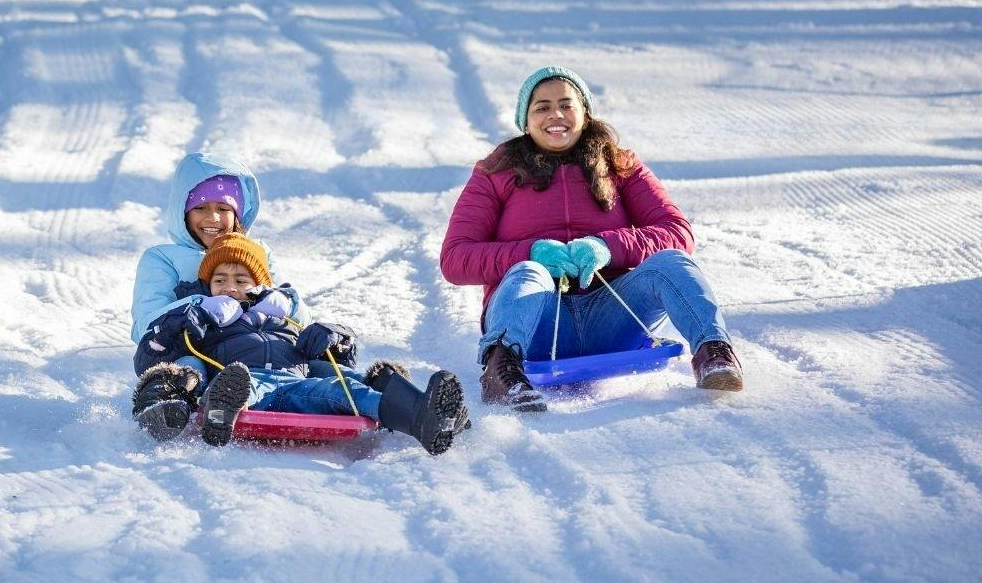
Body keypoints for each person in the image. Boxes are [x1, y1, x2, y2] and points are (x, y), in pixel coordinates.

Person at [440, 65, 743, 412]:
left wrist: (607, 247)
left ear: (584, 112)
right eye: (541, 107)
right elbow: (455, 259)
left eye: (566, 104)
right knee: (528, 272)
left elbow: (677, 232)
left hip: (611, 315)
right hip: (538, 322)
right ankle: (501, 368)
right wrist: (532, 253)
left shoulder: (621, 166)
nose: (556, 115)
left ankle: (714, 353)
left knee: (672, 263)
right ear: (525, 121)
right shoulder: (495, 173)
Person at [137, 234, 470, 452]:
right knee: (241, 382)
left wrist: (330, 334)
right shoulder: (204, 319)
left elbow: (339, 358)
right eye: (219, 281)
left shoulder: (283, 320)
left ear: (260, 285)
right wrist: (193, 320)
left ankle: (426, 416)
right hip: (246, 378)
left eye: (241, 280)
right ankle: (220, 411)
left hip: (298, 382)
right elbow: (159, 353)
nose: (229, 287)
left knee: (347, 390)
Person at [128, 151, 310, 439]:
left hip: (256, 358)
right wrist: (204, 305)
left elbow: (294, 320)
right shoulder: (162, 258)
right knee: (189, 368)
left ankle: (370, 397)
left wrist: (289, 303)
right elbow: (146, 325)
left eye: (223, 208)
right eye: (200, 207)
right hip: (197, 355)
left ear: (237, 212)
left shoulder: (255, 252)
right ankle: (167, 404)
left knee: (315, 364)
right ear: (182, 210)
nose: (212, 218)